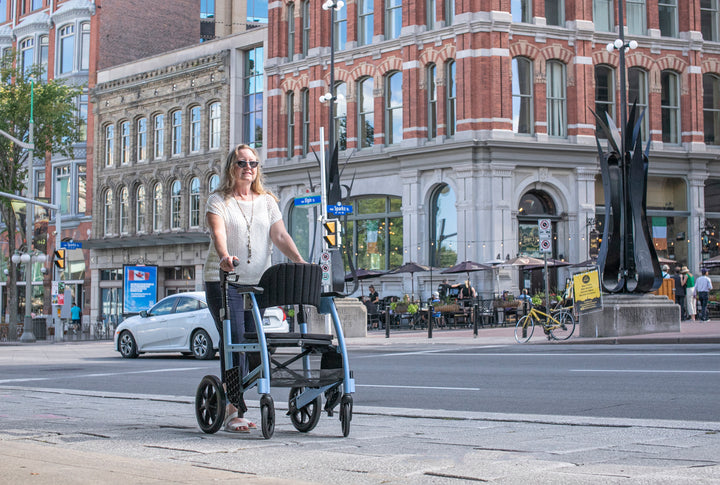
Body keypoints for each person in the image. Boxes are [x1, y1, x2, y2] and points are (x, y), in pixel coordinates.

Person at [204, 144, 305, 433]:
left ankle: (237, 399)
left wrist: (299, 261)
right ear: (230, 167)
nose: (248, 167)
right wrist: (224, 256)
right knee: (234, 341)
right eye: (242, 163)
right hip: (224, 282)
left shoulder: (267, 201)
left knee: (257, 347)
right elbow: (217, 231)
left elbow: (280, 235)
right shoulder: (218, 200)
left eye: (253, 163)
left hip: (257, 285)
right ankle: (233, 411)